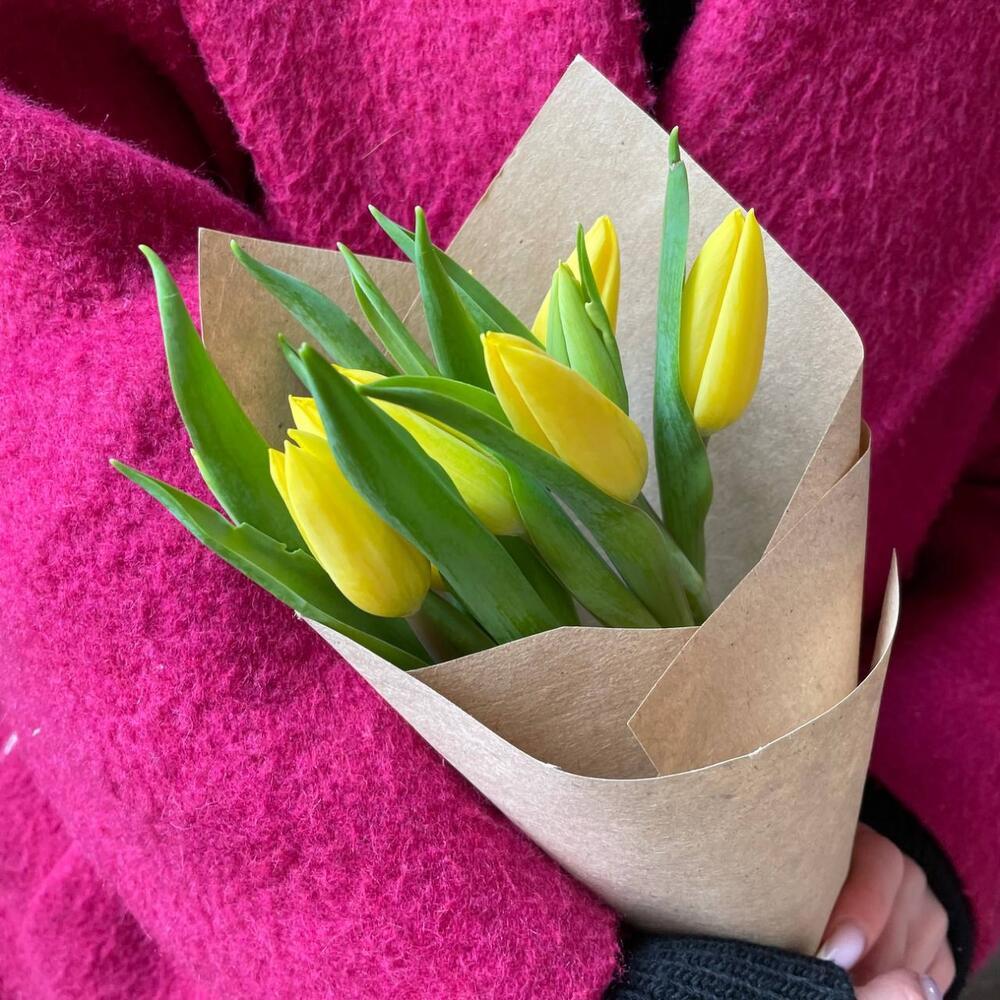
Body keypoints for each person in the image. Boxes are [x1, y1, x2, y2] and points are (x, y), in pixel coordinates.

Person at [0, 1, 995, 998]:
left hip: (841, 867)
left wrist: (922, 795)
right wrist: (490, 967)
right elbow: (39, 307)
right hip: (211, 903)